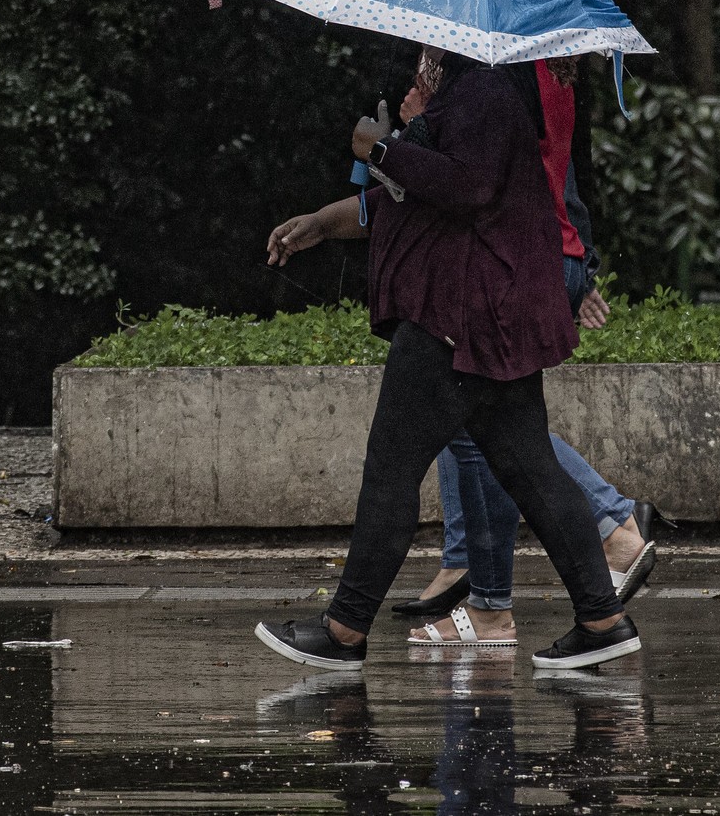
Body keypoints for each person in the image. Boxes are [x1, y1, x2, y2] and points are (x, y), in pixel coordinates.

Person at [253, 47, 642, 672]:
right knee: (532, 469)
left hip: (460, 315)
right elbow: (427, 192)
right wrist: (334, 217)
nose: (421, 52)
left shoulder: (485, 93)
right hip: (485, 312)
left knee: (391, 468)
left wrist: (381, 149)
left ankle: (344, 629)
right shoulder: (470, 92)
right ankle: (602, 619)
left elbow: (468, 187)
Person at [394, 58, 657, 647]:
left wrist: (412, 131)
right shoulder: (547, 61)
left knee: (489, 428)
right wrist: (581, 264)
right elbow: (565, 172)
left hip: (514, 260)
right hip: (546, 254)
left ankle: (609, 528)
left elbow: (473, 178)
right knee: (480, 428)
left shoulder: (496, 70)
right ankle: (483, 588)